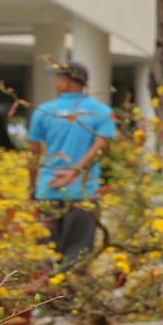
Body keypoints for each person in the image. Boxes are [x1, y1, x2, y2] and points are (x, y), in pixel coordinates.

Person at [28, 61, 116, 267]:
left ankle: (49, 299)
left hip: (48, 192)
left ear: (66, 83)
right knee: (77, 255)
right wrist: (74, 172)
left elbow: (33, 152)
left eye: (57, 79)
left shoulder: (44, 111)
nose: (55, 83)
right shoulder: (102, 112)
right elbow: (101, 146)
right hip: (82, 194)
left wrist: (32, 186)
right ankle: (70, 299)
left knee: (46, 254)